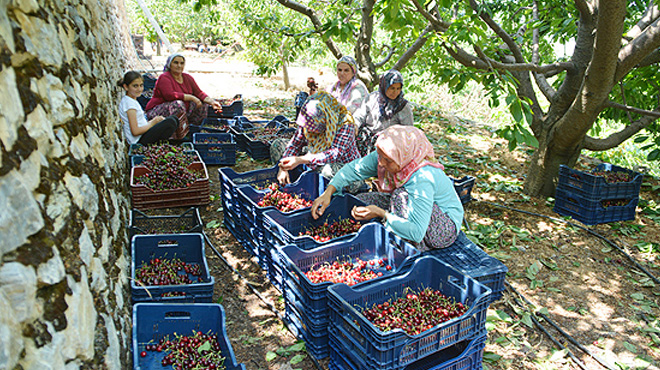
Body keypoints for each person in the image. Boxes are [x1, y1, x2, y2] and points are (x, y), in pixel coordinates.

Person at [311, 126, 463, 250]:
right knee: (360, 201)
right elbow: (353, 170)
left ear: (402, 157)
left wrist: (381, 213)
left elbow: (417, 232)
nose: (381, 163)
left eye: (388, 160)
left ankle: (410, 248)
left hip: (442, 229)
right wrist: (328, 192)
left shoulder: (421, 178)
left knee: (400, 196)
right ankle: (389, 230)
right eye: (380, 156)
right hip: (415, 210)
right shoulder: (385, 157)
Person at [270, 91, 362, 187]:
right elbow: (295, 143)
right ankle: (292, 181)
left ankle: (329, 194)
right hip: (313, 157)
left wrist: (302, 159)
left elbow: (335, 154)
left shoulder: (345, 124)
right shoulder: (308, 118)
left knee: (327, 171)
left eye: (313, 129)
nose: (309, 131)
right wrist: (283, 166)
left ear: (325, 120)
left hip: (343, 165)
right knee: (278, 145)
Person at [145, 53, 223, 130]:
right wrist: (192, 97)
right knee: (177, 104)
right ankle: (177, 131)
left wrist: (212, 102)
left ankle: (192, 128)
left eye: (182, 63)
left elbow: (199, 93)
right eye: (176, 63)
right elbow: (169, 95)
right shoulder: (164, 77)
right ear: (170, 65)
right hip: (158, 112)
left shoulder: (187, 78)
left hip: (182, 110)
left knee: (202, 103)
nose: (179, 66)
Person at [353, 69, 414, 156]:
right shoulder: (373, 98)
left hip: (388, 142)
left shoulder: (403, 106)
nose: (395, 92)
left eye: (398, 88)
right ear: (384, 86)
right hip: (366, 138)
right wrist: (355, 125)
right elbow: (359, 115)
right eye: (392, 88)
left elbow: (409, 130)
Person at [117, 71, 179, 145]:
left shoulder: (132, 100)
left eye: (141, 85)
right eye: (135, 86)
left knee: (174, 119)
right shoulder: (129, 104)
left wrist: (153, 122)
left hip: (143, 133)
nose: (139, 89)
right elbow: (135, 131)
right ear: (126, 87)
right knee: (171, 122)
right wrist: (153, 122)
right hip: (139, 140)